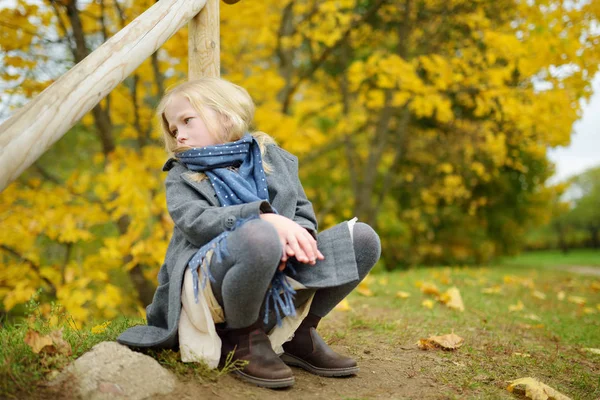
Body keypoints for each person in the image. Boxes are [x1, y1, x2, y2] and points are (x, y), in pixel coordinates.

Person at [117, 77, 381, 389]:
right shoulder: (181, 175)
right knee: (259, 235)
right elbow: (197, 223)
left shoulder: (273, 157)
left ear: (225, 115)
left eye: (187, 121)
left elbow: (301, 210)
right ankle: (243, 339)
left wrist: (299, 237)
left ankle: (300, 334)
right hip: (213, 283)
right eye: (174, 130)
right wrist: (265, 219)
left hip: (279, 269)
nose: (180, 136)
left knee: (362, 238)